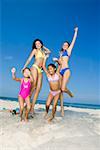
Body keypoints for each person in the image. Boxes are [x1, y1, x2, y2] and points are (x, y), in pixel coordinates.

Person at [53, 27, 78, 116]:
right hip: (60, 72)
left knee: (63, 89)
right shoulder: (60, 53)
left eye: (66, 45)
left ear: (68, 46)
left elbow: (73, 41)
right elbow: (59, 63)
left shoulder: (68, 51)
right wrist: (55, 64)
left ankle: (70, 93)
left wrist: (75, 32)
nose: (65, 46)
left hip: (66, 70)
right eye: (63, 45)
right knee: (60, 91)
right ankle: (62, 109)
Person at [22, 39, 51, 115]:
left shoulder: (43, 52)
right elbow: (29, 59)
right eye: (36, 44)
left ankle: (32, 108)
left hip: (40, 70)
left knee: (38, 89)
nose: (37, 45)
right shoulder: (35, 50)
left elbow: (49, 51)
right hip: (35, 67)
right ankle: (26, 104)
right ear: (34, 45)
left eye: (39, 43)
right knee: (33, 86)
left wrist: (42, 46)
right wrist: (24, 67)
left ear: (41, 44)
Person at [43, 55, 61, 122]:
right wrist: (45, 58)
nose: (49, 70)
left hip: (57, 92)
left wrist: (56, 60)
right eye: (48, 69)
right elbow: (44, 66)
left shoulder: (57, 74)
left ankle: (52, 116)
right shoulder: (48, 75)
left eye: (51, 68)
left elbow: (60, 64)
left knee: (54, 105)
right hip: (51, 92)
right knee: (47, 104)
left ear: (54, 69)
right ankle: (47, 112)